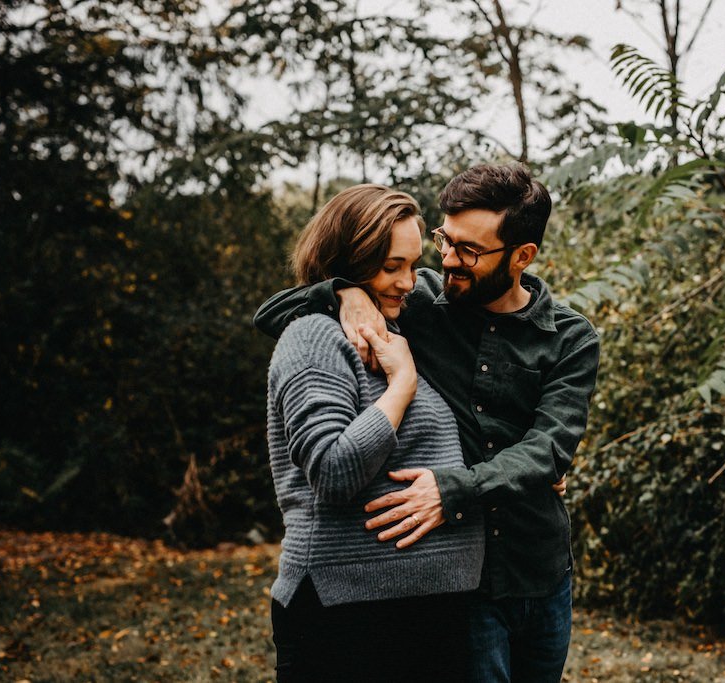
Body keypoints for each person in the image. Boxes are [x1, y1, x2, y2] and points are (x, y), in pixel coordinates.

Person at [256, 163, 600, 682]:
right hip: (462, 585)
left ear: (522, 256)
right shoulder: (420, 302)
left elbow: (549, 449)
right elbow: (275, 313)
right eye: (446, 239)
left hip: (540, 568)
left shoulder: (571, 338)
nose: (448, 261)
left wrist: (454, 488)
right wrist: (343, 292)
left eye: (470, 251)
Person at [264, 184, 485, 682]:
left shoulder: (405, 328)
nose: (409, 282)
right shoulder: (314, 337)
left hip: (428, 612)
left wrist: (530, 461)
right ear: (347, 260)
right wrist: (402, 383)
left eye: (413, 264)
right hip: (351, 615)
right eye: (391, 267)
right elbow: (333, 470)